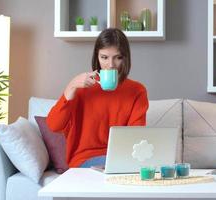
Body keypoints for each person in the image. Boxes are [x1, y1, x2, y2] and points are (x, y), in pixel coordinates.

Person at [46, 28, 149, 168]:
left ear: (125, 58)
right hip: (85, 160)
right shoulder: (81, 87)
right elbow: (53, 125)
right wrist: (71, 87)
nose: (111, 65)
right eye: (104, 57)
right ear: (97, 57)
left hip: (120, 159)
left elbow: (135, 137)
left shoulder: (137, 91)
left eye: (118, 57)